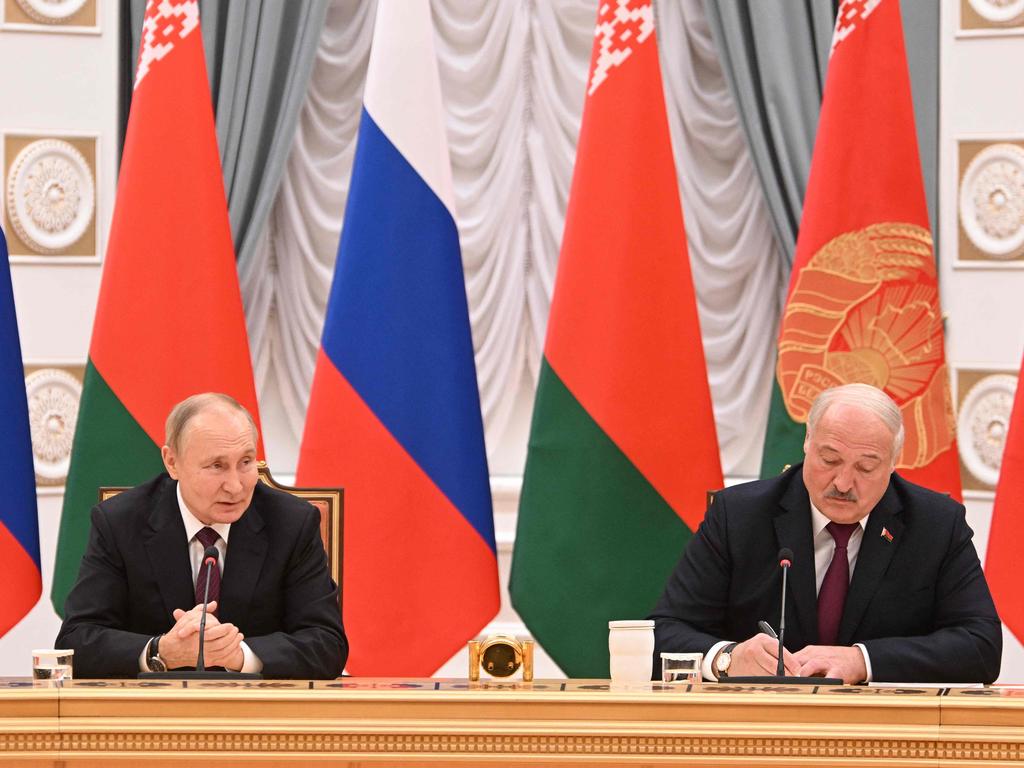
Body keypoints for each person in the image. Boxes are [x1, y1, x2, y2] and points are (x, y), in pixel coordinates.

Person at [650, 383, 1001, 684]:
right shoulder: (739, 516)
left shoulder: (935, 524)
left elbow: (981, 646)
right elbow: (661, 634)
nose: (843, 483)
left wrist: (862, 660)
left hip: (885, 737)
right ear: (807, 442)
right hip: (757, 728)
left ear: (893, 463)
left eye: (866, 467)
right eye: (829, 460)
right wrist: (726, 659)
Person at [56, 393, 347, 679]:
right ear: (172, 462)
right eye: (216, 466)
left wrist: (238, 654)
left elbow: (326, 643)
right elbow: (76, 639)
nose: (235, 486)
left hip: (259, 717)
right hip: (149, 717)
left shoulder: (291, 523)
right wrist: (160, 651)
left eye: (245, 462)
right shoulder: (121, 523)